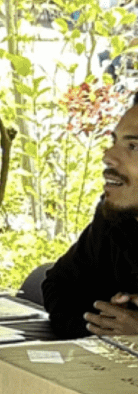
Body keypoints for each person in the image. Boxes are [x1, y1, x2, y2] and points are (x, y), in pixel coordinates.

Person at [42, 95, 138, 338]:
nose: (108, 157)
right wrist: (104, 325)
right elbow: (59, 286)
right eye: (114, 141)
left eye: (133, 146)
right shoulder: (115, 219)